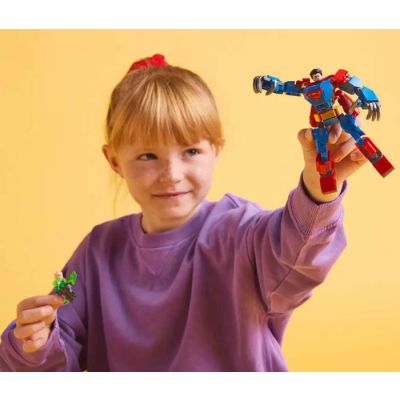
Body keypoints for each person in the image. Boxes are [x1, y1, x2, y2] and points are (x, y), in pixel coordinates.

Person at [0, 54, 367, 371]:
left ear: (216, 150)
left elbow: (296, 257)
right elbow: (55, 358)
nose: (171, 174)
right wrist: (32, 346)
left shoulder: (240, 233)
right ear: (114, 161)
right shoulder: (97, 252)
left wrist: (319, 186)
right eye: (148, 155)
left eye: (191, 151)